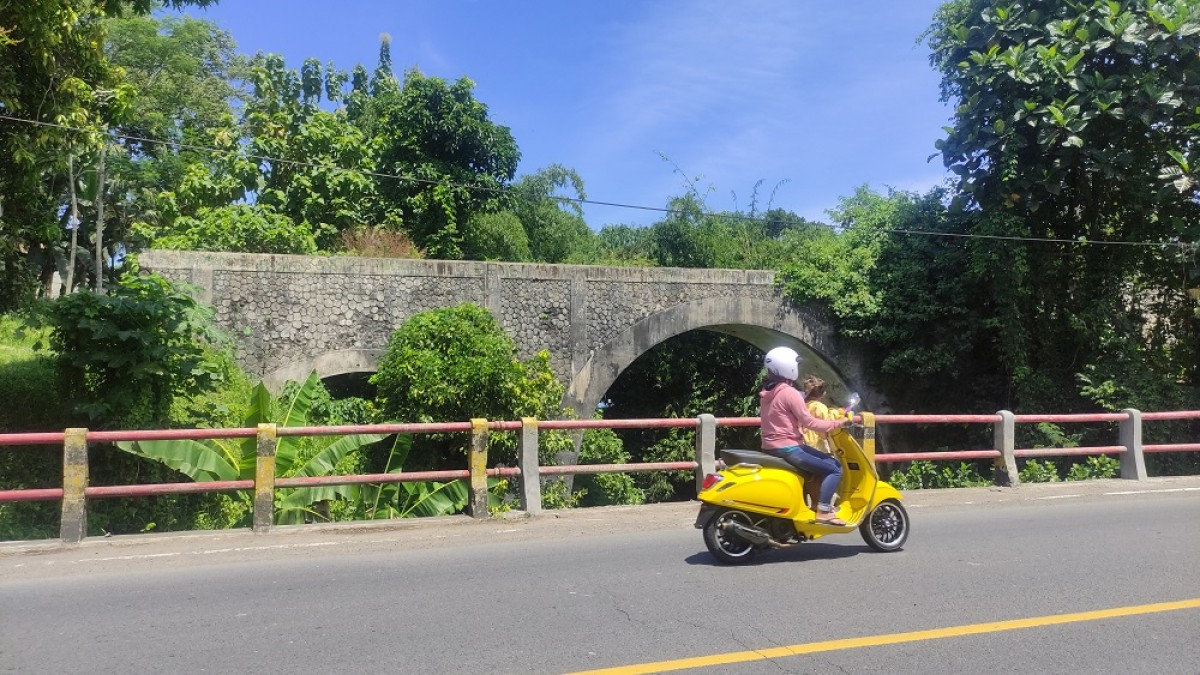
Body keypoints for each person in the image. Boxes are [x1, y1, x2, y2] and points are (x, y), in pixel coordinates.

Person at [758, 347, 849, 526]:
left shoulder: (766, 392)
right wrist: (838, 423)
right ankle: (823, 510)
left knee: (816, 468)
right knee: (835, 467)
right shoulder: (789, 392)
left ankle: (814, 505)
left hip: (771, 447)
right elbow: (810, 423)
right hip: (790, 448)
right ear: (788, 366)